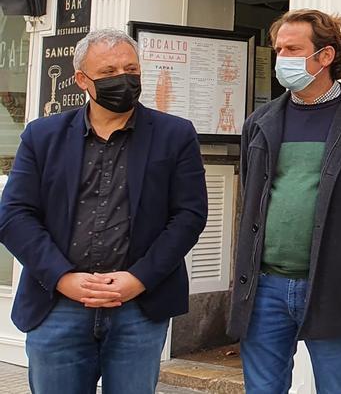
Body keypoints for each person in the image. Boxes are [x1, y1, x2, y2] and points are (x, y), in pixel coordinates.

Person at [0, 30, 208, 393]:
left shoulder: (176, 135)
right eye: (109, 71)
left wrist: (138, 278)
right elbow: (15, 215)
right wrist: (62, 277)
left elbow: (189, 216)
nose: (123, 79)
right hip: (57, 305)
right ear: (82, 79)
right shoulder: (42, 136)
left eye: (131, 68)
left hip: (138, 308)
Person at [228, 9, 341, 393]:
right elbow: (254, 197)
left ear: (325, 56)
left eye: (292, 49)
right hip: (264, 288)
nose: (281, 58)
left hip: (333, 285)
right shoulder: (259, 123)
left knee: (335, 387)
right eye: (278, 49)